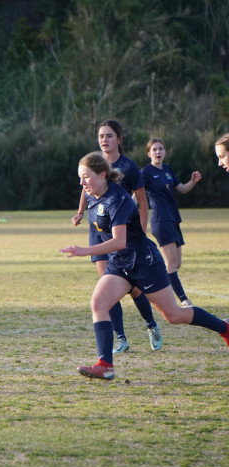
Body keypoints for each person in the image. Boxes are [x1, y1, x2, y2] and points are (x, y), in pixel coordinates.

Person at [60, 152, 229, 380]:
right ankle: (105, 365)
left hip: (144, 262)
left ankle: (225, 329)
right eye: (80, 177)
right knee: (99, 303)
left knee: (174, 315)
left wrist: (85, 250)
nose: (82, 183)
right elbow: (113, 237)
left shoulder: (117, 199)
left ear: (102, 175)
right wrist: (80, 213)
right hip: (121, 263)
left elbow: (119, 240)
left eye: (86, 177)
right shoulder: (94, 194)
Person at [72, 119, 161, 354]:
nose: (104, 139)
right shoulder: (92, 163)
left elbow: (142, 201)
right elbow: (85, 189)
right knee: (105, 287)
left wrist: (141, 230)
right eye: (101, 135)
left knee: (133, 289)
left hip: (119, 231)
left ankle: (151, 324)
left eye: (109, 135)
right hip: (97, 232)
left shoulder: (129, 167)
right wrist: (81, 212)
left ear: (119, 139)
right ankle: (120, 337)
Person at [142, 138, 202, 307]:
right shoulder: (145, 172)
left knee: (176, 264)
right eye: (154, 149)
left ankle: (151, 273)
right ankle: (183, 299)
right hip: (160, 219)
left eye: (161, 149)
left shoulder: (167, 170)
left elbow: (181, 189)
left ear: (165, 152)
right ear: (149, 153)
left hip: (173, 218)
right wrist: (128, 209)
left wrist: (193, 181)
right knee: (171, 264)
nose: (158, 152)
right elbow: (137, 195)